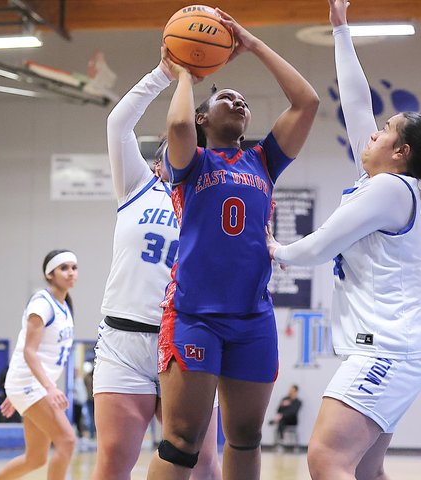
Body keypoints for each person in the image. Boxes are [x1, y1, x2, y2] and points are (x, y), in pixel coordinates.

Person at [266, 1, 421, 479]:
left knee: (326, 458)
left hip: (388, 351)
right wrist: (341, 30)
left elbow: (321, 245)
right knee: (363, 470)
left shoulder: (390, 189)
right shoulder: (383, 182)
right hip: (395, 350)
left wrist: (276, 250)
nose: (373, 133)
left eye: (384, 131)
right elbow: (357, 104)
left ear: (401, 152)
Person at [147, 8, 319, 480]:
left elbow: (306, 102)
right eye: (227, 97)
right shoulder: (192, 162)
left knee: (245, 437)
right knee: (182, 441)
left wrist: (254, 44)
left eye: (244, 101)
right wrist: (186, 72)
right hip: (194, 314)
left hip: (252, 317)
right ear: (204, 116)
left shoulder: (263, 161)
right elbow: (178, 127)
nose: (239, 102)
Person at [91, 49, 221, 480]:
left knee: (203, 464)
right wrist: (164, 73)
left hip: (185, 339)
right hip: (125, 341)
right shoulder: (138, 186)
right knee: (113, 460)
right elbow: (118, 124)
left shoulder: (210, 202)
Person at [0, 250, 78, 480]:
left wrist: (17, 393)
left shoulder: (64, 306)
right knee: (67, 440)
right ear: (49, 274)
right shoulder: (42, 304)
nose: (71, 272)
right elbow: (28, 351)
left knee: (36, 458)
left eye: (74, 267)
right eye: (64, 268)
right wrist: (42, 388)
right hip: (30, 384)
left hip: (29, 386)